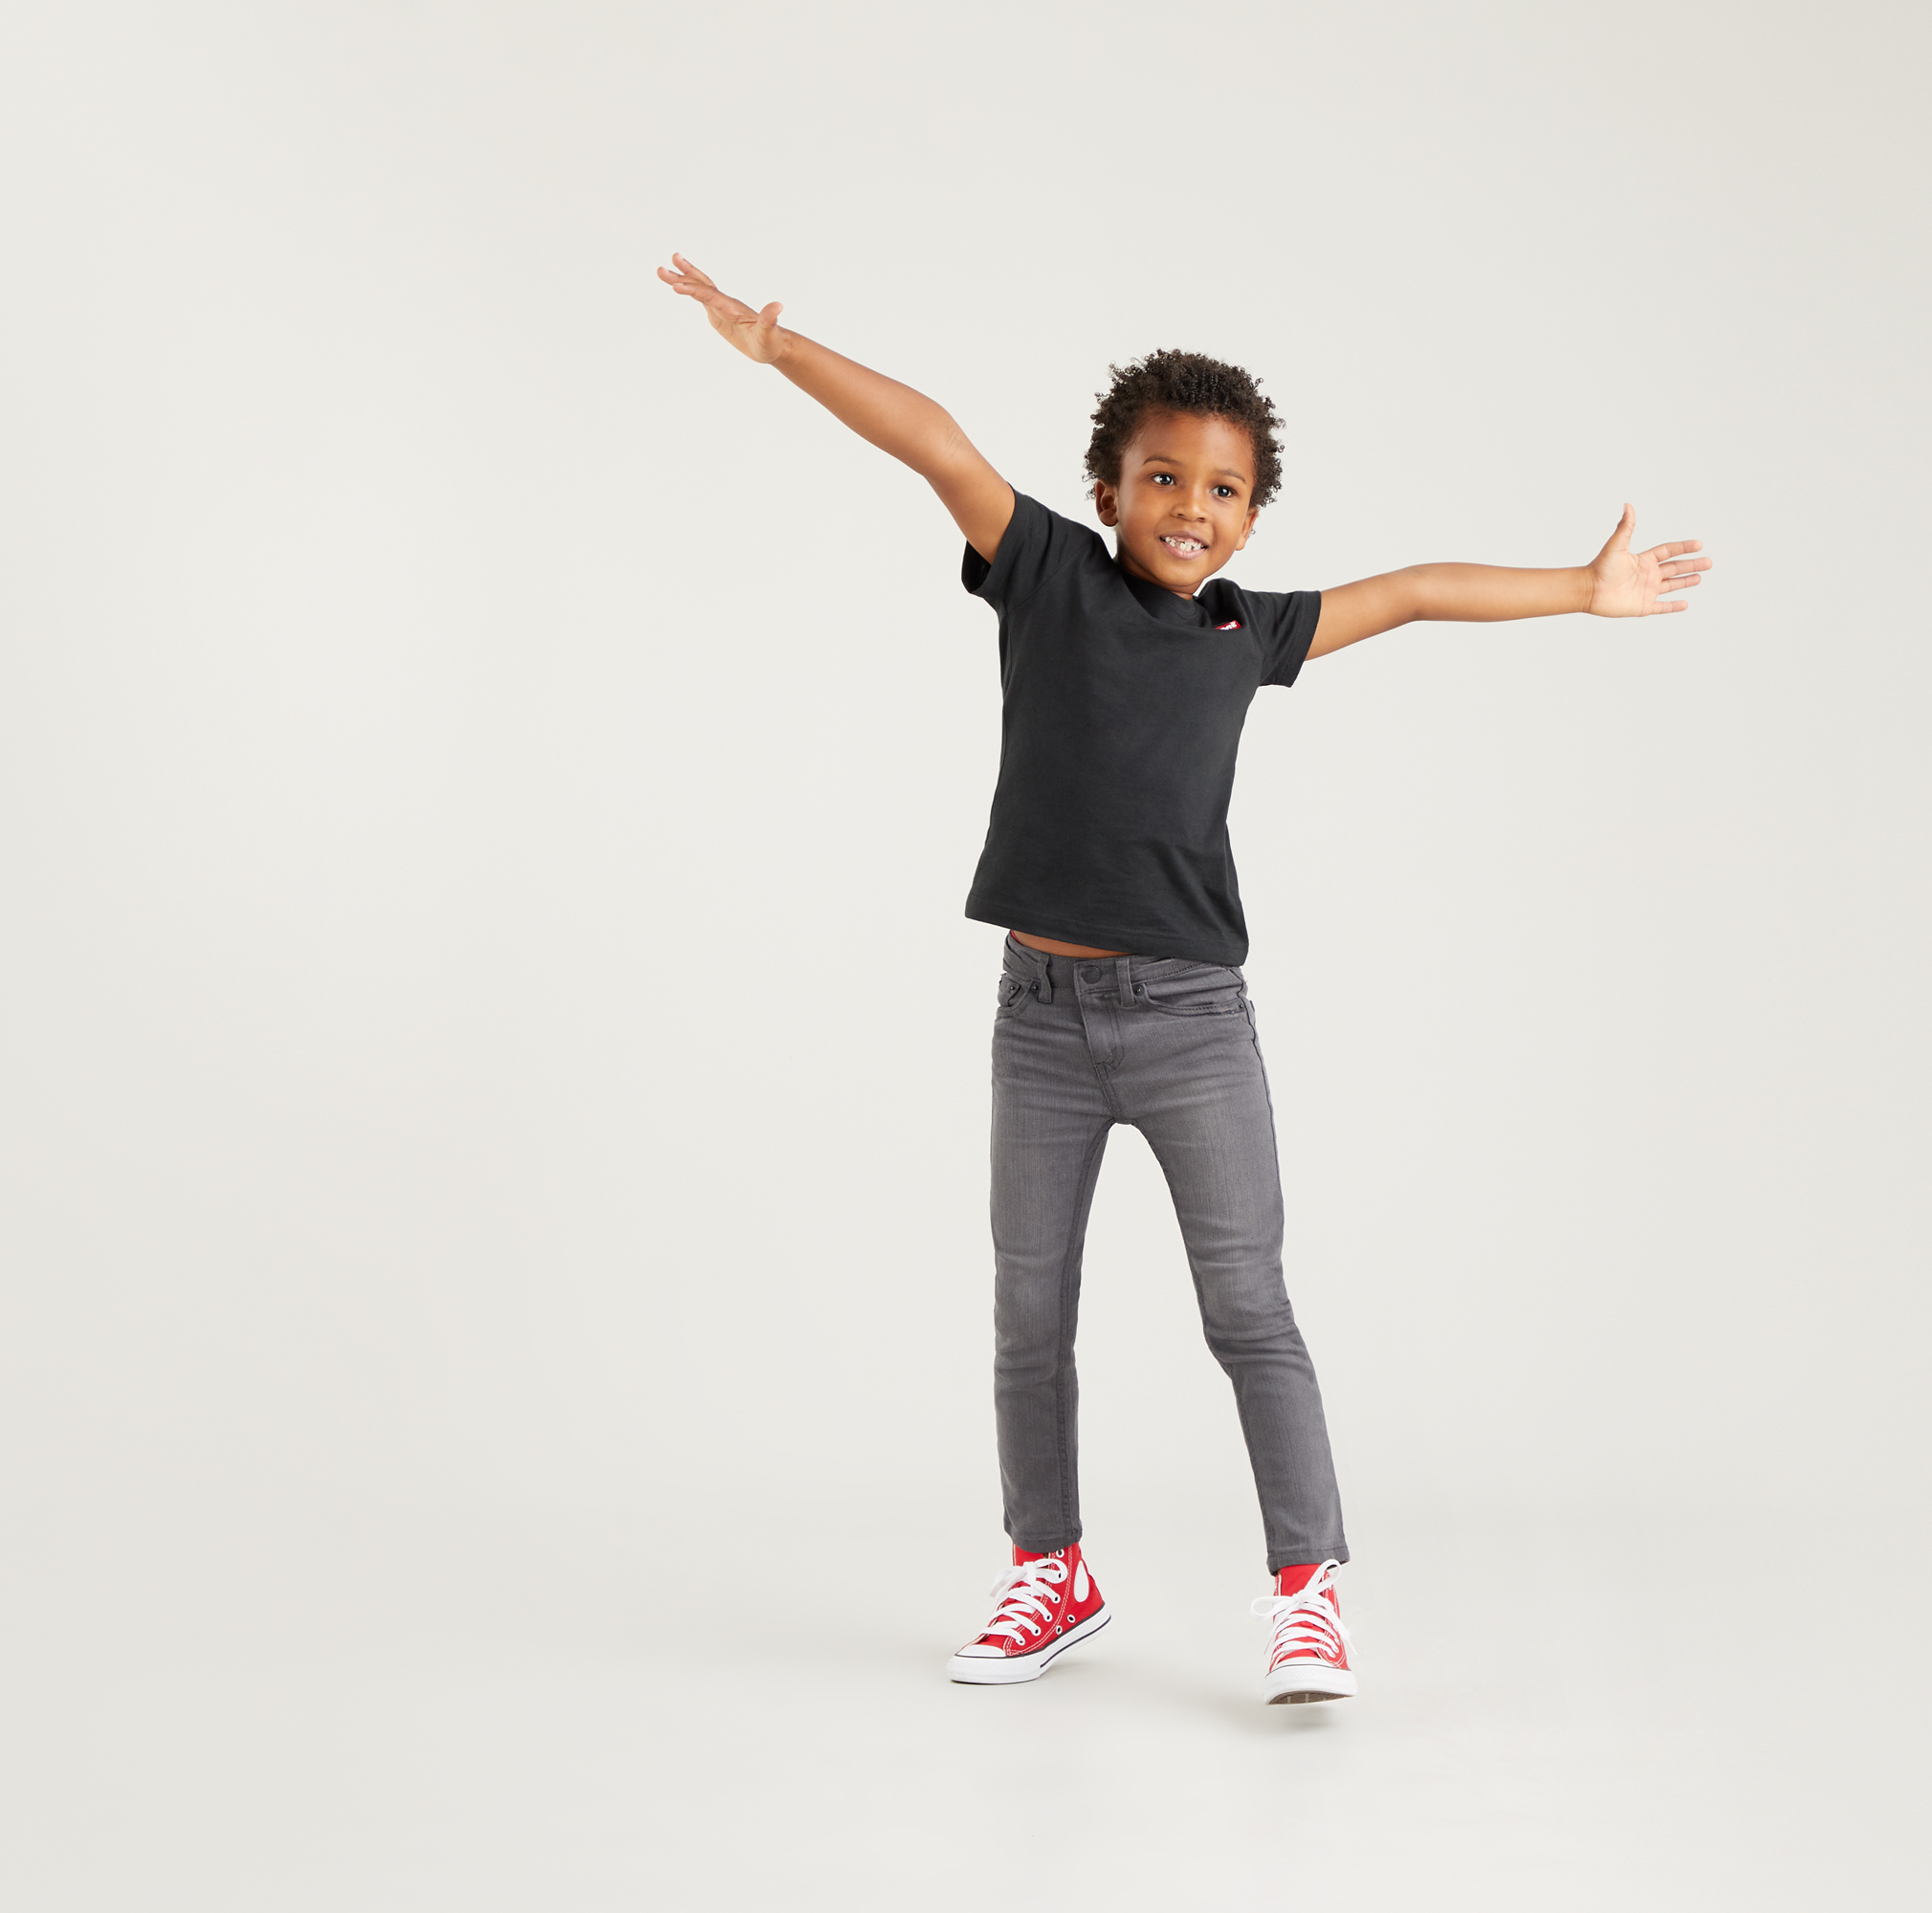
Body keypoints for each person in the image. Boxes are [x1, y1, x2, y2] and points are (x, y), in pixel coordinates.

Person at [657, 253, 1708, 1704]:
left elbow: (1412, 592)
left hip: (1191, 1027)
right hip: (1039, 1021)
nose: (1191, 508)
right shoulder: (1044, 576)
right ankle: (1052, 1571)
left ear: (1253, 515)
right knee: (1030, 1315)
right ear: (1107, 490)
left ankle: (1307, 1592)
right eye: (1162, 479)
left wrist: (1583, 591)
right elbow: (937, 443)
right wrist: (784, 352)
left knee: (1247, 1308)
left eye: (1224, 490)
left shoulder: (1248, 630)